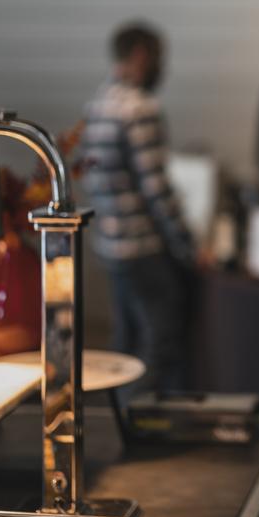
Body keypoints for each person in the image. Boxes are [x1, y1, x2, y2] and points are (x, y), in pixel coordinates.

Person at [82, 21, 196, 398]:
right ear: (141, 56)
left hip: (110, 245)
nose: (164, 68)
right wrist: (188, 244)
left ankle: (115, 424)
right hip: (143, 247)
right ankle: (137, 425)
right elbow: (155, 188)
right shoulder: (139, 108)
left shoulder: (98, 104)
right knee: (159, 346)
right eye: (160, 58)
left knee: (126, 343)